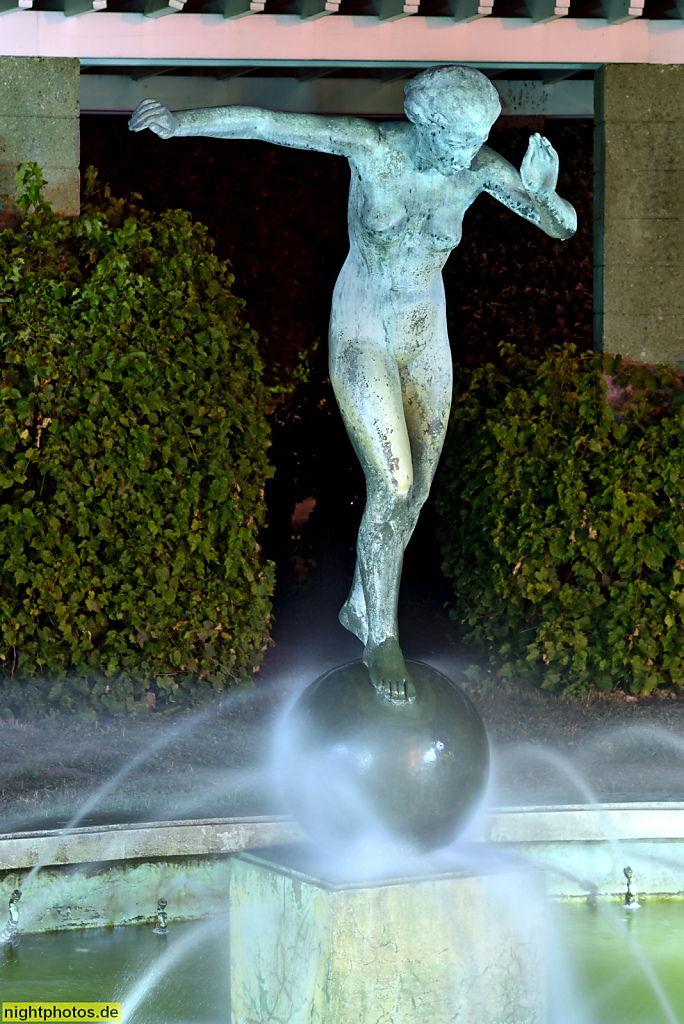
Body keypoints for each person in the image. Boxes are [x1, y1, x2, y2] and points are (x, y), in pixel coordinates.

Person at [129, 64, 577, 706]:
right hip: (363, 328)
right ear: (424, 122)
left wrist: (545, 193)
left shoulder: (477, 166)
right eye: (455, 138)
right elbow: (268, 124)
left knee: (416, 493)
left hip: (426, 337)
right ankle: (381, 637)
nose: (465, 152)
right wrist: (179, 124)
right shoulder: (372, 149)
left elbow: (559, 228)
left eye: (477, 138)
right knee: (391, 485)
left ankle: (361, 604)